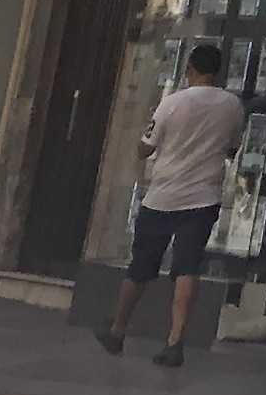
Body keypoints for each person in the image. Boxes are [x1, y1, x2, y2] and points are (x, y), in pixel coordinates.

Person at [96, 41, 244, 369]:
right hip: (204, 197)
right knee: (187, 268)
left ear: (189, 68)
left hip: (163, 196)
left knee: (141, 265)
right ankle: (175, 341)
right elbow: (233, 148)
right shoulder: (233, 105)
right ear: (217, 71)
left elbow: (145, 148)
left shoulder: (172, 103)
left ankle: (118, 328)